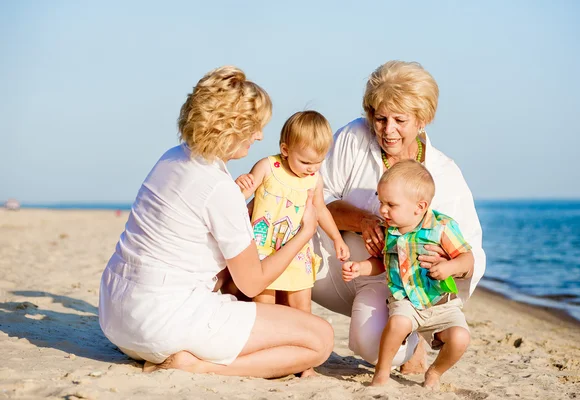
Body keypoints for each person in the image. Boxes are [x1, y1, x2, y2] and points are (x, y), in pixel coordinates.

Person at [98, 66, 334, 378]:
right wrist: (304, 233)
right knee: (320, 340)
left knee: (233, 285)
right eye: (254, 127)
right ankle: (200, 366)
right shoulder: (218, 186)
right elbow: (253, 282)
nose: (261, 135)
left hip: (115, 315)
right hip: (159, 324)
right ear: (229, 128)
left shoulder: (172, 157)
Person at [311, 60, 486, 373]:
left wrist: (445, 261)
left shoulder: (445, 174)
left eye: (399, 120)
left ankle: (414, 337)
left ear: (422, 119)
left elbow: (472, 249)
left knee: (374, 349)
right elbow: (314, 194)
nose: (387, 130)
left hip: (399, 288)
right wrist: (362, 220)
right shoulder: (353, 137)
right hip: (339, 267)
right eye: (380, 118)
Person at [235, 111, 350, 377]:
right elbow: (241, 197)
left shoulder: (314, 179)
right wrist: (240, 186)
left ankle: (304, 363)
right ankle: (269, 358)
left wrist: (336, 238)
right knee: (266, 310)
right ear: (285, 150)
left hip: (298, 255)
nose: (312, 168)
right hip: (263, 252)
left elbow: (320, 210)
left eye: (318, 162)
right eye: (306, 161)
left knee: (301, 311)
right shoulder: (267, 167)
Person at [342, 160, 474, 388]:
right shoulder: (390, 230)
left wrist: (449, 268)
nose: (382, 210)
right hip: (406, 300)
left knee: (461, 338)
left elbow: (467, 258)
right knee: (398, 323)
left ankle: (435, 372)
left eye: (390, 204)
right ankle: (381, 373)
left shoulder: (442, 227)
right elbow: (382, 263)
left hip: (441, 302)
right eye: (381, 201)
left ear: (419, 206)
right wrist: (360, 268)